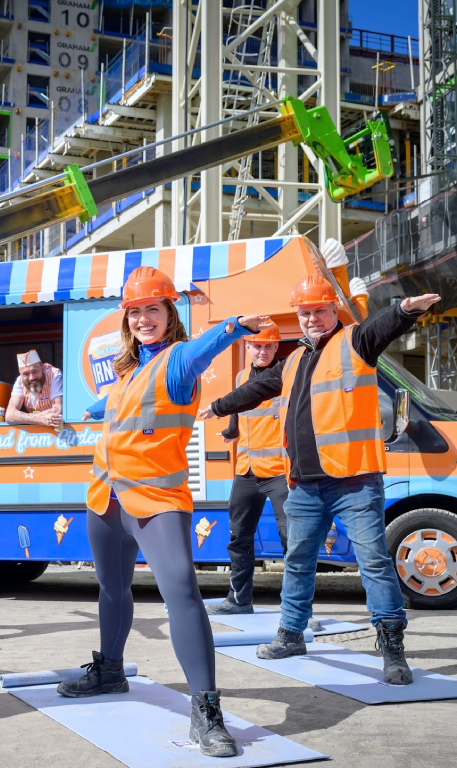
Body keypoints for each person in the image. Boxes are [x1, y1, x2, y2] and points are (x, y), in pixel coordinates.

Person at [58, 266, 268, 759]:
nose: (143, 319)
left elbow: (204, 349)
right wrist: (82, 410)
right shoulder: (128, 371)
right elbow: (113, 406)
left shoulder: (178, 361)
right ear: (126, 319)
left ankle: (207, 710)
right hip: (105, 498)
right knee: (112, 587)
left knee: (183, 595)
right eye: (135, 311)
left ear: (169, 313)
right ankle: (109, 671)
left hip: (156, 501)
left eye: (153, 308)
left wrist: (234, 327)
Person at [207, 275, 440, 686]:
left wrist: (405, 310)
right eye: (305, 312)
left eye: (319, 310)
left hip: (354, 481)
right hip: (304, 485)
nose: (312, 318)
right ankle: (291, 634)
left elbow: (380, 325)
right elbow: (259, 387)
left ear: (333, 309)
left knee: (373, 563)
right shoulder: (295, 360)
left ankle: (391, 648)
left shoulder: (355, 343)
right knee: (298, 562)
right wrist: (218, 406)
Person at [199, 322, 289, 616]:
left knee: (293, 539)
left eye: (267, 346)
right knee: (239, 538)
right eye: (256, 346)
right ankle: (239, 600)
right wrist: (230, 430)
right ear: (246, 347)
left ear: (276, 347)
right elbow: (241, 410)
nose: (262, 352)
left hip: (279, 470)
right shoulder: (240, 376)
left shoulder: (287, 375)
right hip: (246, 470)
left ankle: (296, 609)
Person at [5, 349, 63, 429]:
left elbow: (57, 410)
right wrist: (40, 419)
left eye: (35, 371)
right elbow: (9, 415)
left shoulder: (53, 374)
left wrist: (25, 417)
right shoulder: (20, 381)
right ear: (20, 373)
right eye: (26, 374)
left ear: (42, 367)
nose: (31, 378)